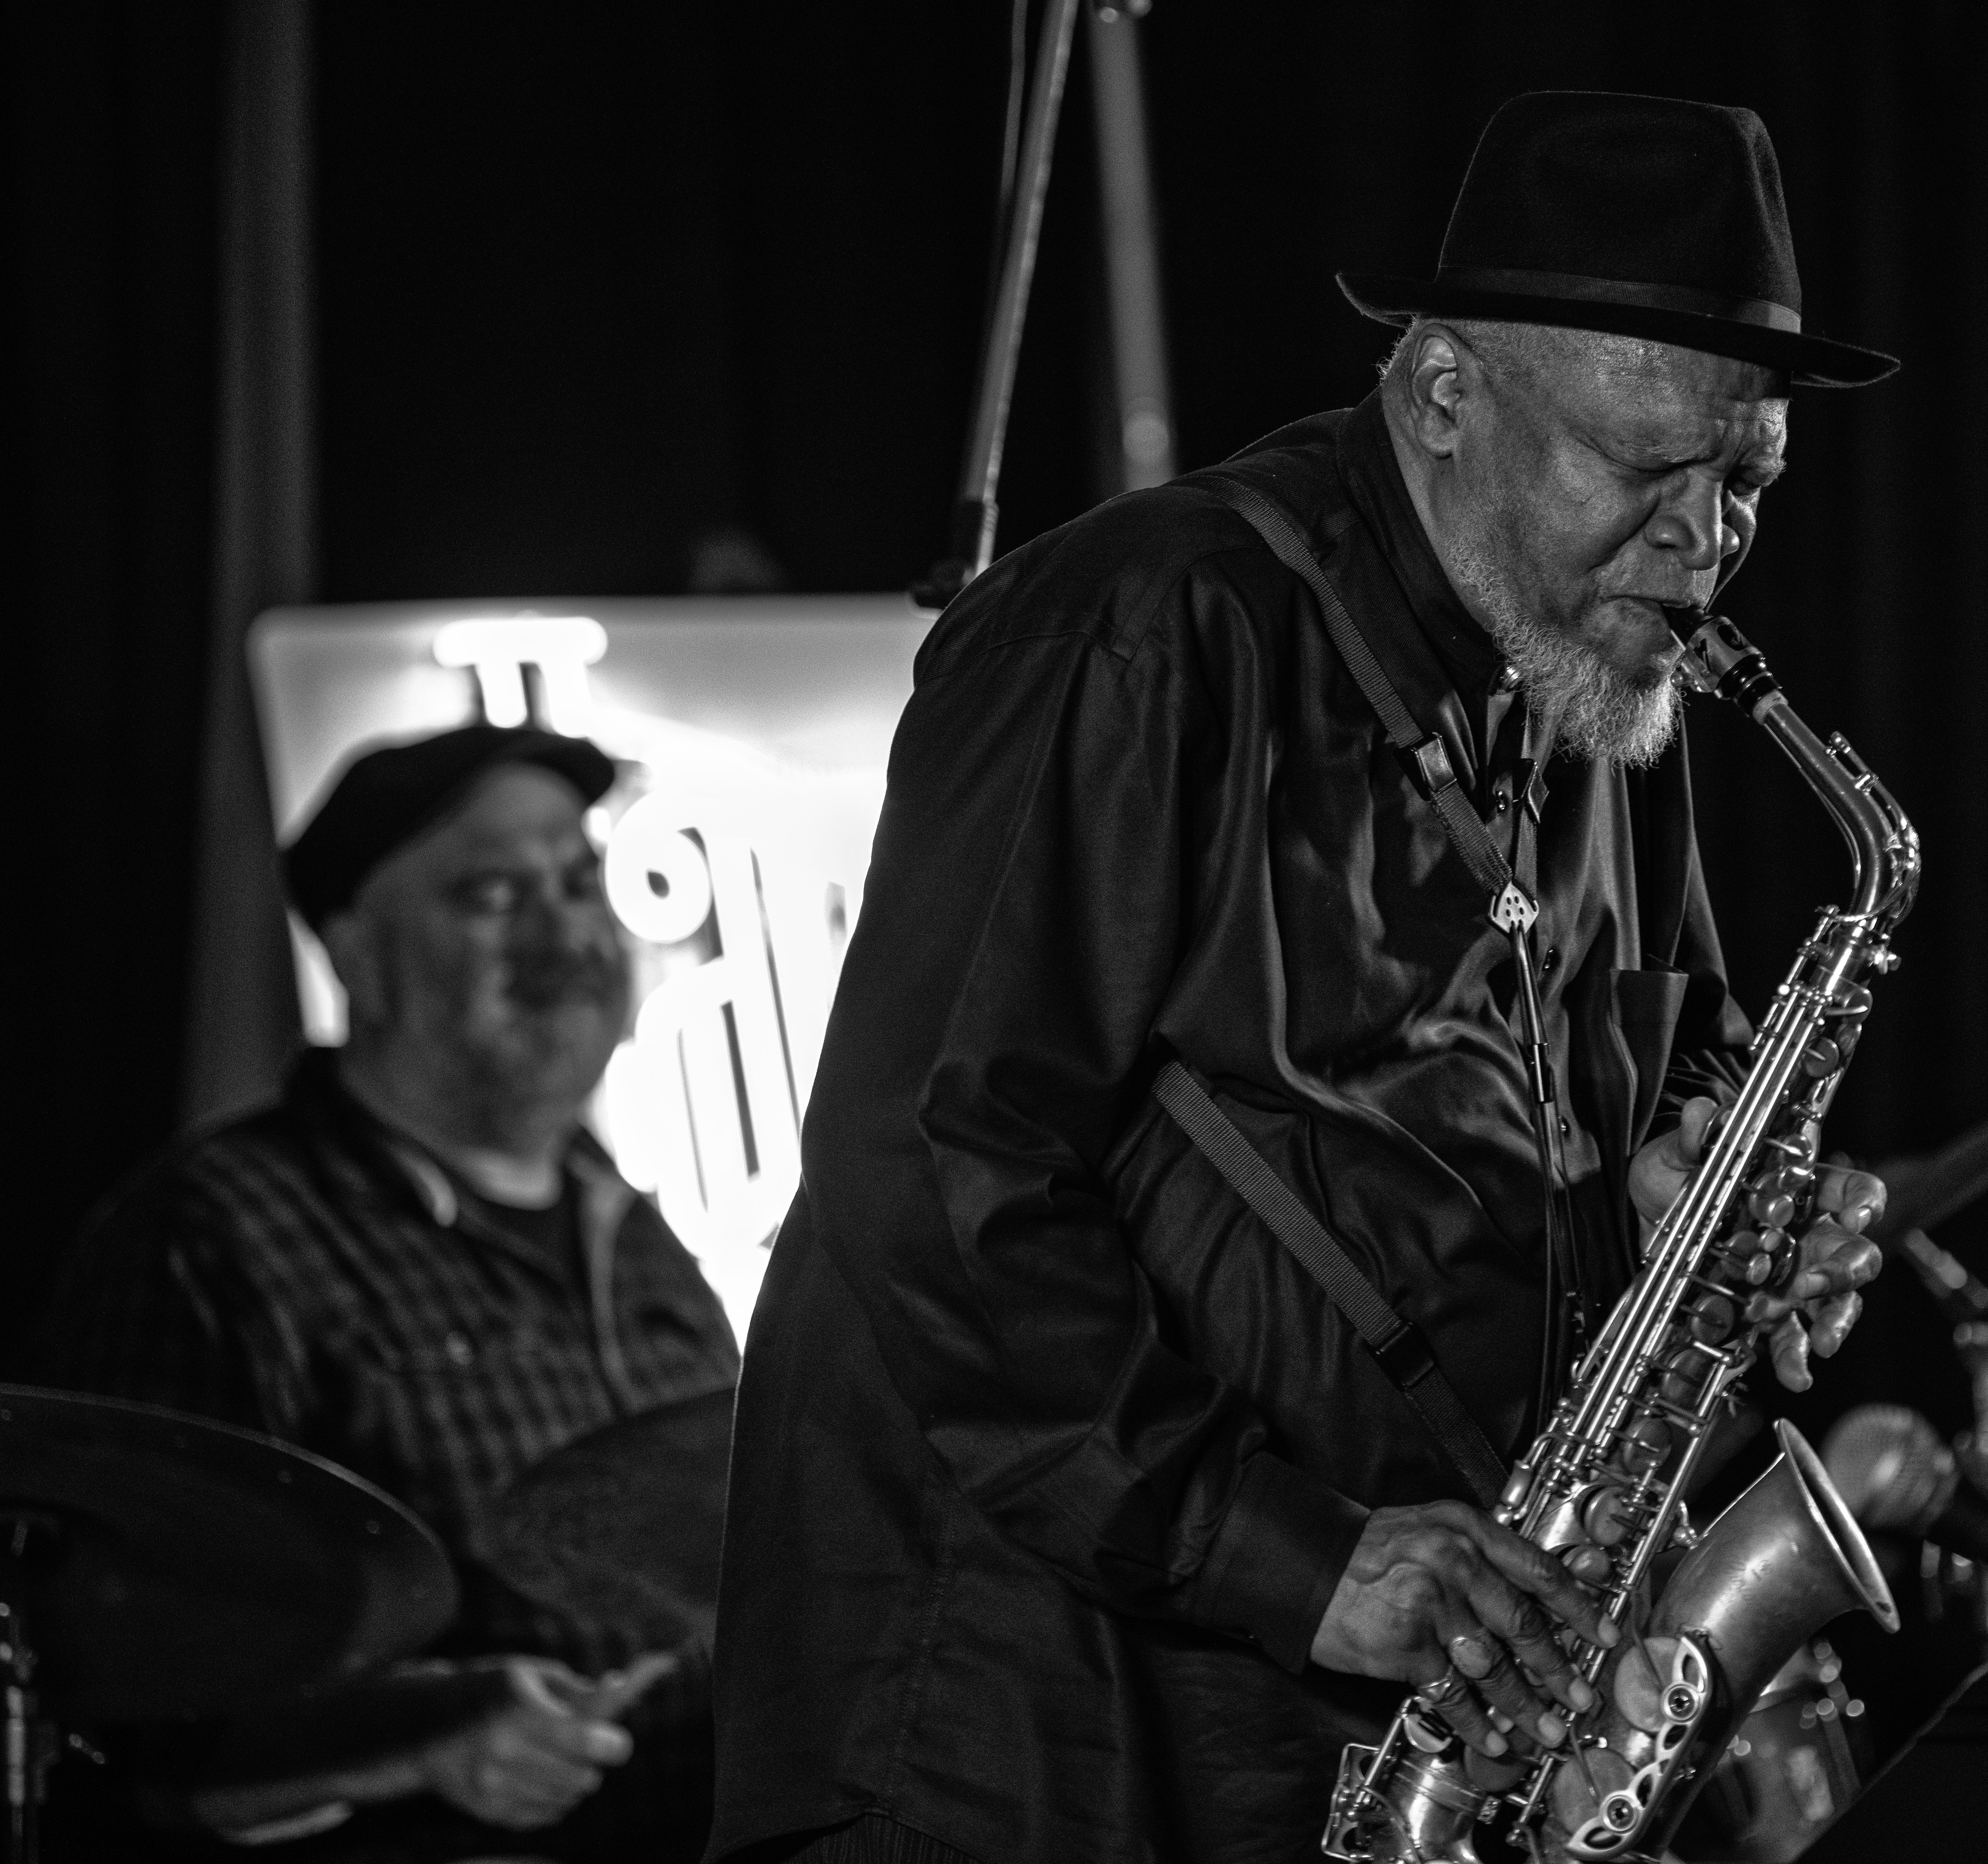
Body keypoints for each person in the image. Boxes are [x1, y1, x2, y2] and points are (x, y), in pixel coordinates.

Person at [708, 92, 1898, 1864]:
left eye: (1744, 484)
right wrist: (1289, 1552)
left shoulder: (1593, 686)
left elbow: (1661, 1072)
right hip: (1027, 1730)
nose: (1705, 542)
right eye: (1648, 469)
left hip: (1333, 1726)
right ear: (1439, 396)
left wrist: (1694, 1195)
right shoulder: (1138, 628)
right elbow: (938, 1177)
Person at [34, 724, 739, 1861]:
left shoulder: (645, 1233)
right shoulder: (213, 1233)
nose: (566, 932)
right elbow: (105, 1724)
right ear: (356, 954)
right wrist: (417, 1728)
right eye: (495, 894)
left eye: (577, 880)